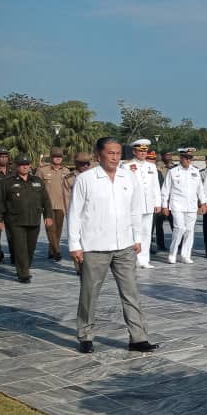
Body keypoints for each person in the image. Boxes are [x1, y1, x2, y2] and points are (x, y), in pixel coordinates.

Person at [67, 137, 159, 354]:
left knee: (131, 292)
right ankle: (85, 335)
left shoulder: (129, 177)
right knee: (89, 293)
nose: (115, 157)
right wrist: (74, 244)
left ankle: (138, 337)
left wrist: (137, 238)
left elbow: (135, 210)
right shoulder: (86, 180)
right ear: (98, 155)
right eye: (110, 153)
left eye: (118, 153)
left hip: (125, 245)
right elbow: (75, 213)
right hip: (94, 246)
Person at [0, 155, 54, 283]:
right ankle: (23, 273)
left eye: (27, 164)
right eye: (22, 164)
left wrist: (48, 216)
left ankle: (24, 265)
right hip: (15, 221)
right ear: (16, 166)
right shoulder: (7, 182)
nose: (25, 166)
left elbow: (46, 200)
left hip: (34, 220)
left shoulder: (38, 181)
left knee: (30, 247)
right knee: (20, 247)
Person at [120, 139, 161, 269]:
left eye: (145, 151)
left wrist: (157, 203)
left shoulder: (151, 166)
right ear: (134, 151)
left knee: (147, 232)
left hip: (148, 204)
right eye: (140, 151)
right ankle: (133, 259)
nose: (143, 153)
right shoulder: (126, 166)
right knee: (134, 232)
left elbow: (155, 186)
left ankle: (144, 259)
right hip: (133, 205)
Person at [161, 148, 207, 264]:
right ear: (181, 158)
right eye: (186, 158)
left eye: (190, 158)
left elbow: (200, 189)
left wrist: (203, 203)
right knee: (179, 228)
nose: (188, 160)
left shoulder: (195, 171)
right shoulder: (173, 171)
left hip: (191, 205)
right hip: (177, 205)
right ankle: (172, 253)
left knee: (189, 230)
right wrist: (164, 205)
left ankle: (185, 254)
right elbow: (165, 189)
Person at [36, 147, 70, 261]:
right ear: (51, 157)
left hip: (61, 204)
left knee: (58, 230)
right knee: (50, 229)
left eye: (59, 157)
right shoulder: (42, 170)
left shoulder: (66, 171)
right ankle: (57, 250)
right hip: (47, 205)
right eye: (55, 156)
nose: (57, 158)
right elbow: (36, 187)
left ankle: (51, 251)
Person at [62, 152, 93, 276]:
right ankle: (79, 267)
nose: (85, 166)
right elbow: (66, 197)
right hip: (76, 213)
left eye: (87, 163)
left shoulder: (94, 176)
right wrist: (68, 215)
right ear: (76, 164)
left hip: (92, 213)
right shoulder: (69, 178)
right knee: (76, 240)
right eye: (82, 163)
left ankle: (91, 264)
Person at [154, 150, 177, 251]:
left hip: (172, 199)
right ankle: (161, 244)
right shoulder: (157, 167)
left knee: (175, 224)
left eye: (170, 154)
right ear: (162, 156)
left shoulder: (175, 167)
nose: (169, 156)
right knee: (159, 224)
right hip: (161, 198)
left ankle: (177, 243)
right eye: (167, 154)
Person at [0, 146, 12, 264]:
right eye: (1, 156)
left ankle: (15, 254)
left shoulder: (14, 171)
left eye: (5, 156)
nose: (3, 158)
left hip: (12, 206)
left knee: (13, 233)